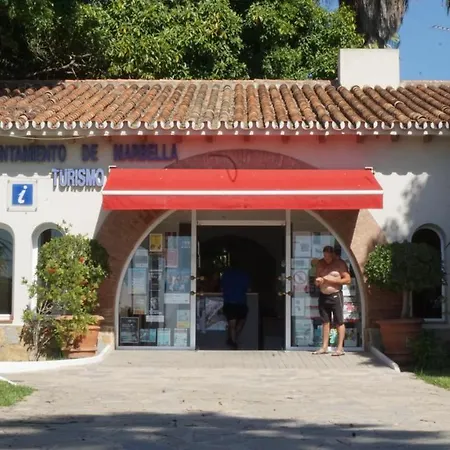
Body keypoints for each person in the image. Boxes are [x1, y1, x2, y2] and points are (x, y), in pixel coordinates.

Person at [312, 245, 351, 356]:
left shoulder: (340, 264)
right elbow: (316, 279)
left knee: (339, 321)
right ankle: (324, 347)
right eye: (325, 256)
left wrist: (329, 280)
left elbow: (347, 280)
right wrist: (318, 281)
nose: (327, 259)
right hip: (323, 295)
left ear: (333, 255)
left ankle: (340, 348)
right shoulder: (320, 263)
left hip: (335, 295)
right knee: (325, 321)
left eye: (329, 256)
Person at [220, 260, 250, 350]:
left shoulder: (226, 274)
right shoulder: (244, 275)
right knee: (241, 321)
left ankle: (232, 341)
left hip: (229, 302)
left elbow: (222, 287)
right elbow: (248, 289)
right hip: (241, 302)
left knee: (232, 324)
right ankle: (234, 339)